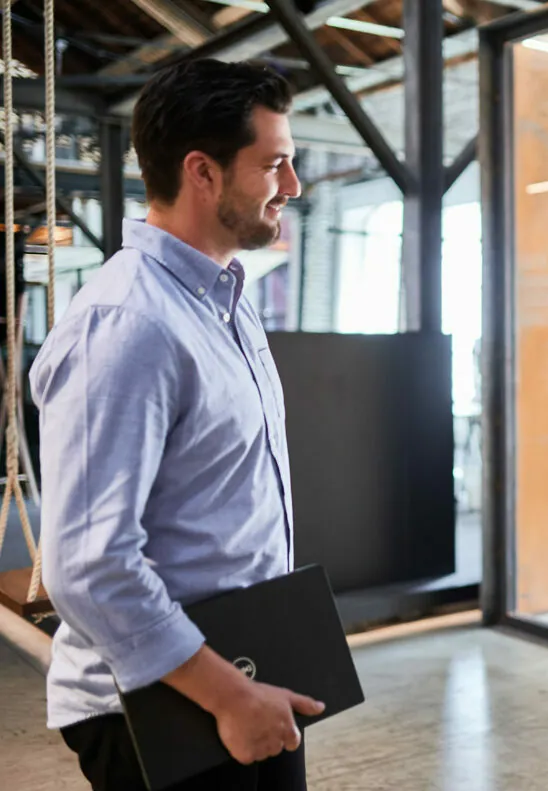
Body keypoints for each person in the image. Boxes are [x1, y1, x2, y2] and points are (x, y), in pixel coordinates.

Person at [31, 59, 316, 791]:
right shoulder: (126, 324)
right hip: (161, 699)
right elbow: (90, 563)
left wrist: (250, 679)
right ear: (204, 173)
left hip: (245, 665)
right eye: (275, 164)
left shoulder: (225, 300)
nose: (293, 187)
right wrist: (228, 694)